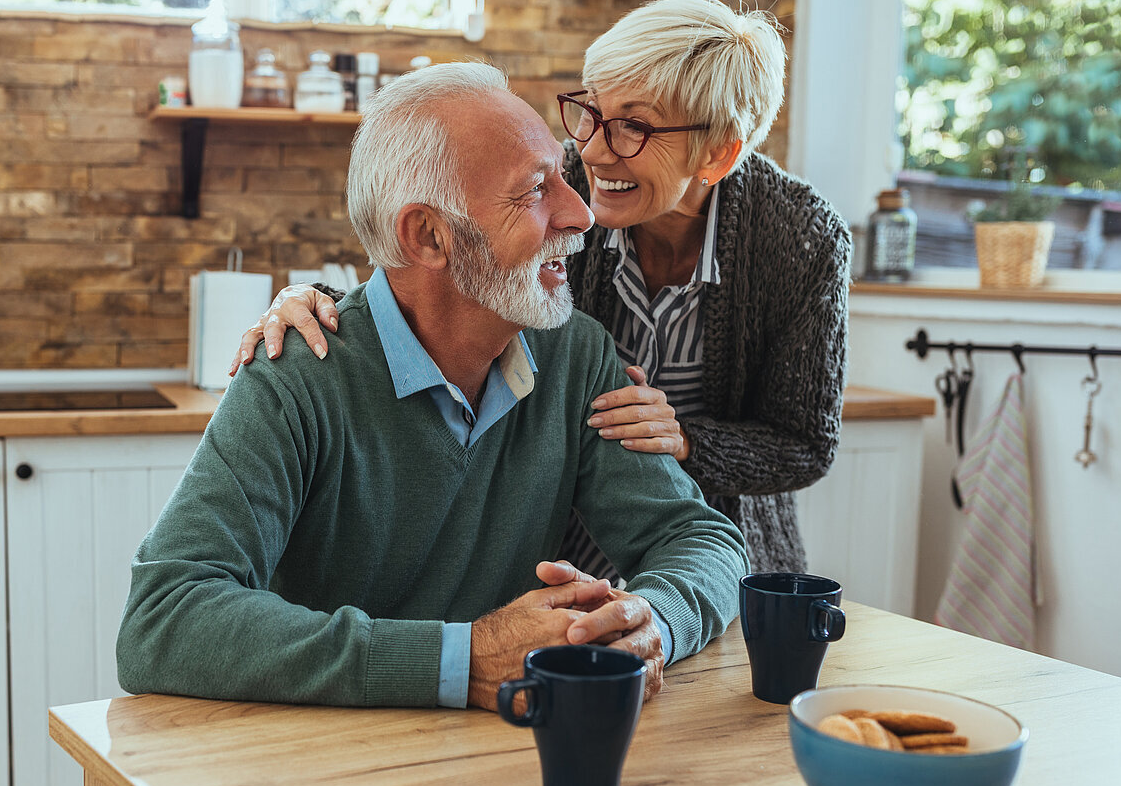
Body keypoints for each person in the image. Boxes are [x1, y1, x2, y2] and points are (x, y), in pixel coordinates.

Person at [118, 62, 746, 710]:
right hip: (322, 766)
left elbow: (703, 540)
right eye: (535, 190)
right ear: (428, 235)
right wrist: (462, 658)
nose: (581, 214)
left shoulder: (575, 354)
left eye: (565, 178)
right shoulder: (297, 373)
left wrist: (654, 622)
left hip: (499, 758)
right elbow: (163, 620)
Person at [230, 0, 851, 577]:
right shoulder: (568, 180)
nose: (595, 152)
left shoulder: (800, 238)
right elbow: (437, 260)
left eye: (633, 126)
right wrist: (317, 301)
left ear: (717, 154)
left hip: (712, 556)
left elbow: (805, 444)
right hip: (551, 556)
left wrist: (686, 439)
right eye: (592, 110)